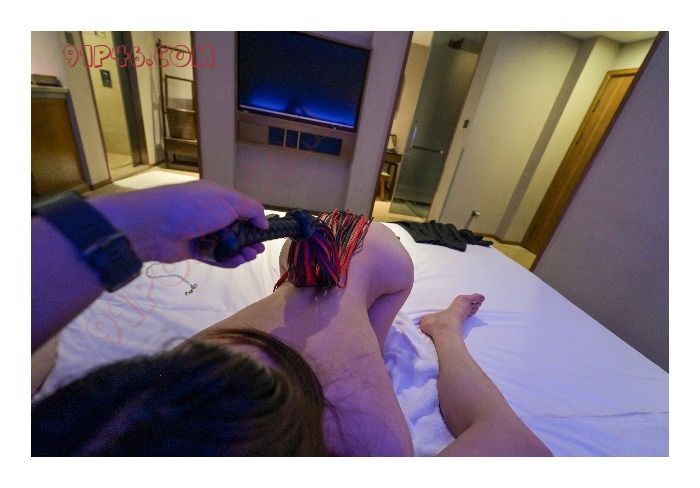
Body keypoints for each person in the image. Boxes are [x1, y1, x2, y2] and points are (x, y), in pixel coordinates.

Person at [31, 180, 551, 457]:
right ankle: (444, 329)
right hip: (350, 264)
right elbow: (515, 442)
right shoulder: (371, 447)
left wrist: (137, 224)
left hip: (313, 265)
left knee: (329, 305)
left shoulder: (93, 434)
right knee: (351, 317)